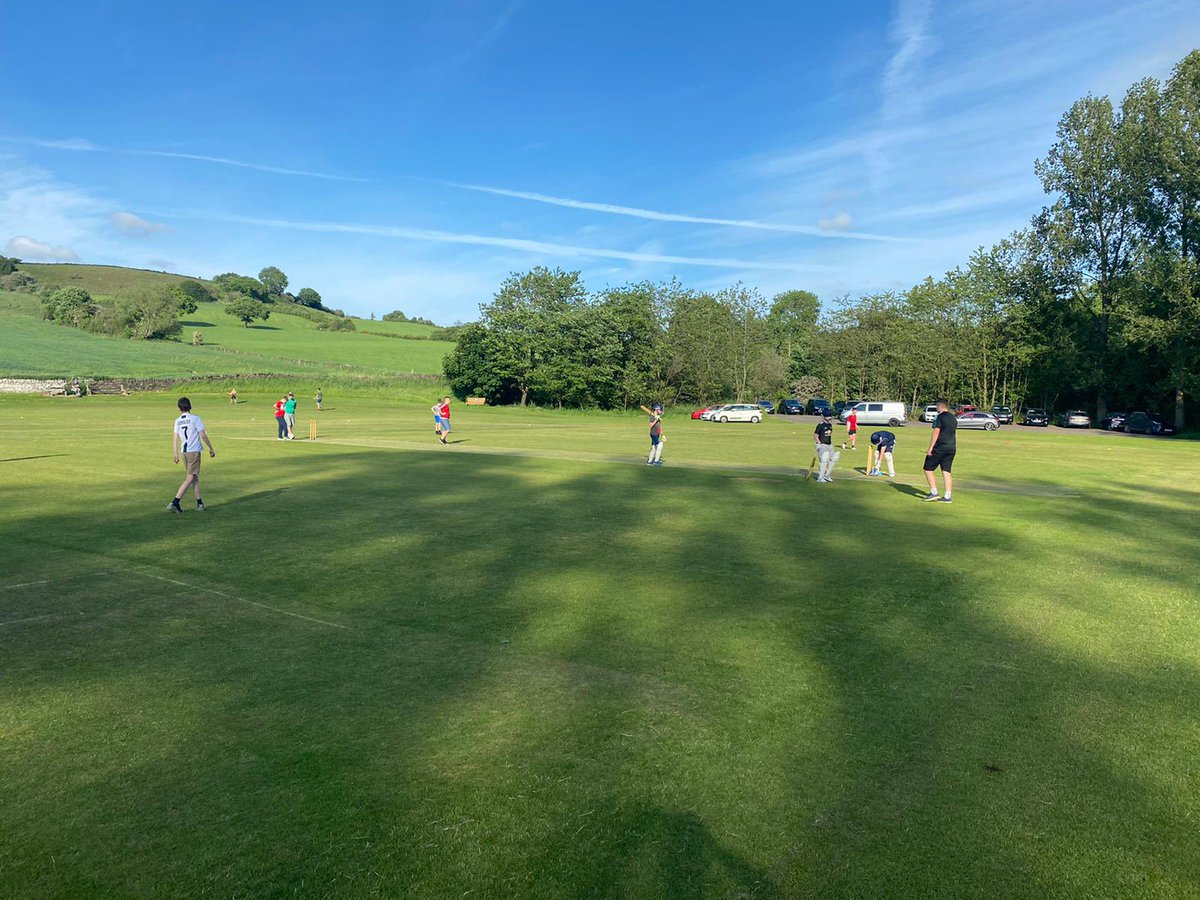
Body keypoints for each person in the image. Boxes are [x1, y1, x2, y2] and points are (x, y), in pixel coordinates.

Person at [169, 397, 215, 513]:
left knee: (194, 477)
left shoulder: (177, 421)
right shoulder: (195, 418)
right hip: (193, 451)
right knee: (190, 477)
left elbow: (175, 438)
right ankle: (175, 502)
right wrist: (211, 448)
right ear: (190, 406)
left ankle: (199, 503)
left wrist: (175, 454)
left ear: (179, 408)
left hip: (184, 452)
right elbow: (203, 435)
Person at [923, 399, 957, 502]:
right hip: (952, 447)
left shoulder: (940, 416)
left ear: (940, 406)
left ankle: (934, 493)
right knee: (946, 471)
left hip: (940, 447)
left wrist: (930, 448)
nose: (936, 409)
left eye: (937, 407)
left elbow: (936, 432)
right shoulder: (953, 417)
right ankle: (947, 496)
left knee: (927, 468)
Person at [814, 411, 838, 482]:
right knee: (823, 461)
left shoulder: (830, 425)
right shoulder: (820, 425)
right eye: (827, 416)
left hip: (829, 445)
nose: (829, 417)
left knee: (831, 460)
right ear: (824, 417)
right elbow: (815, 435)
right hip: (823, 445)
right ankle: (820, 477)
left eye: (830, 416)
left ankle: (827, 475)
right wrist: (818, 443)